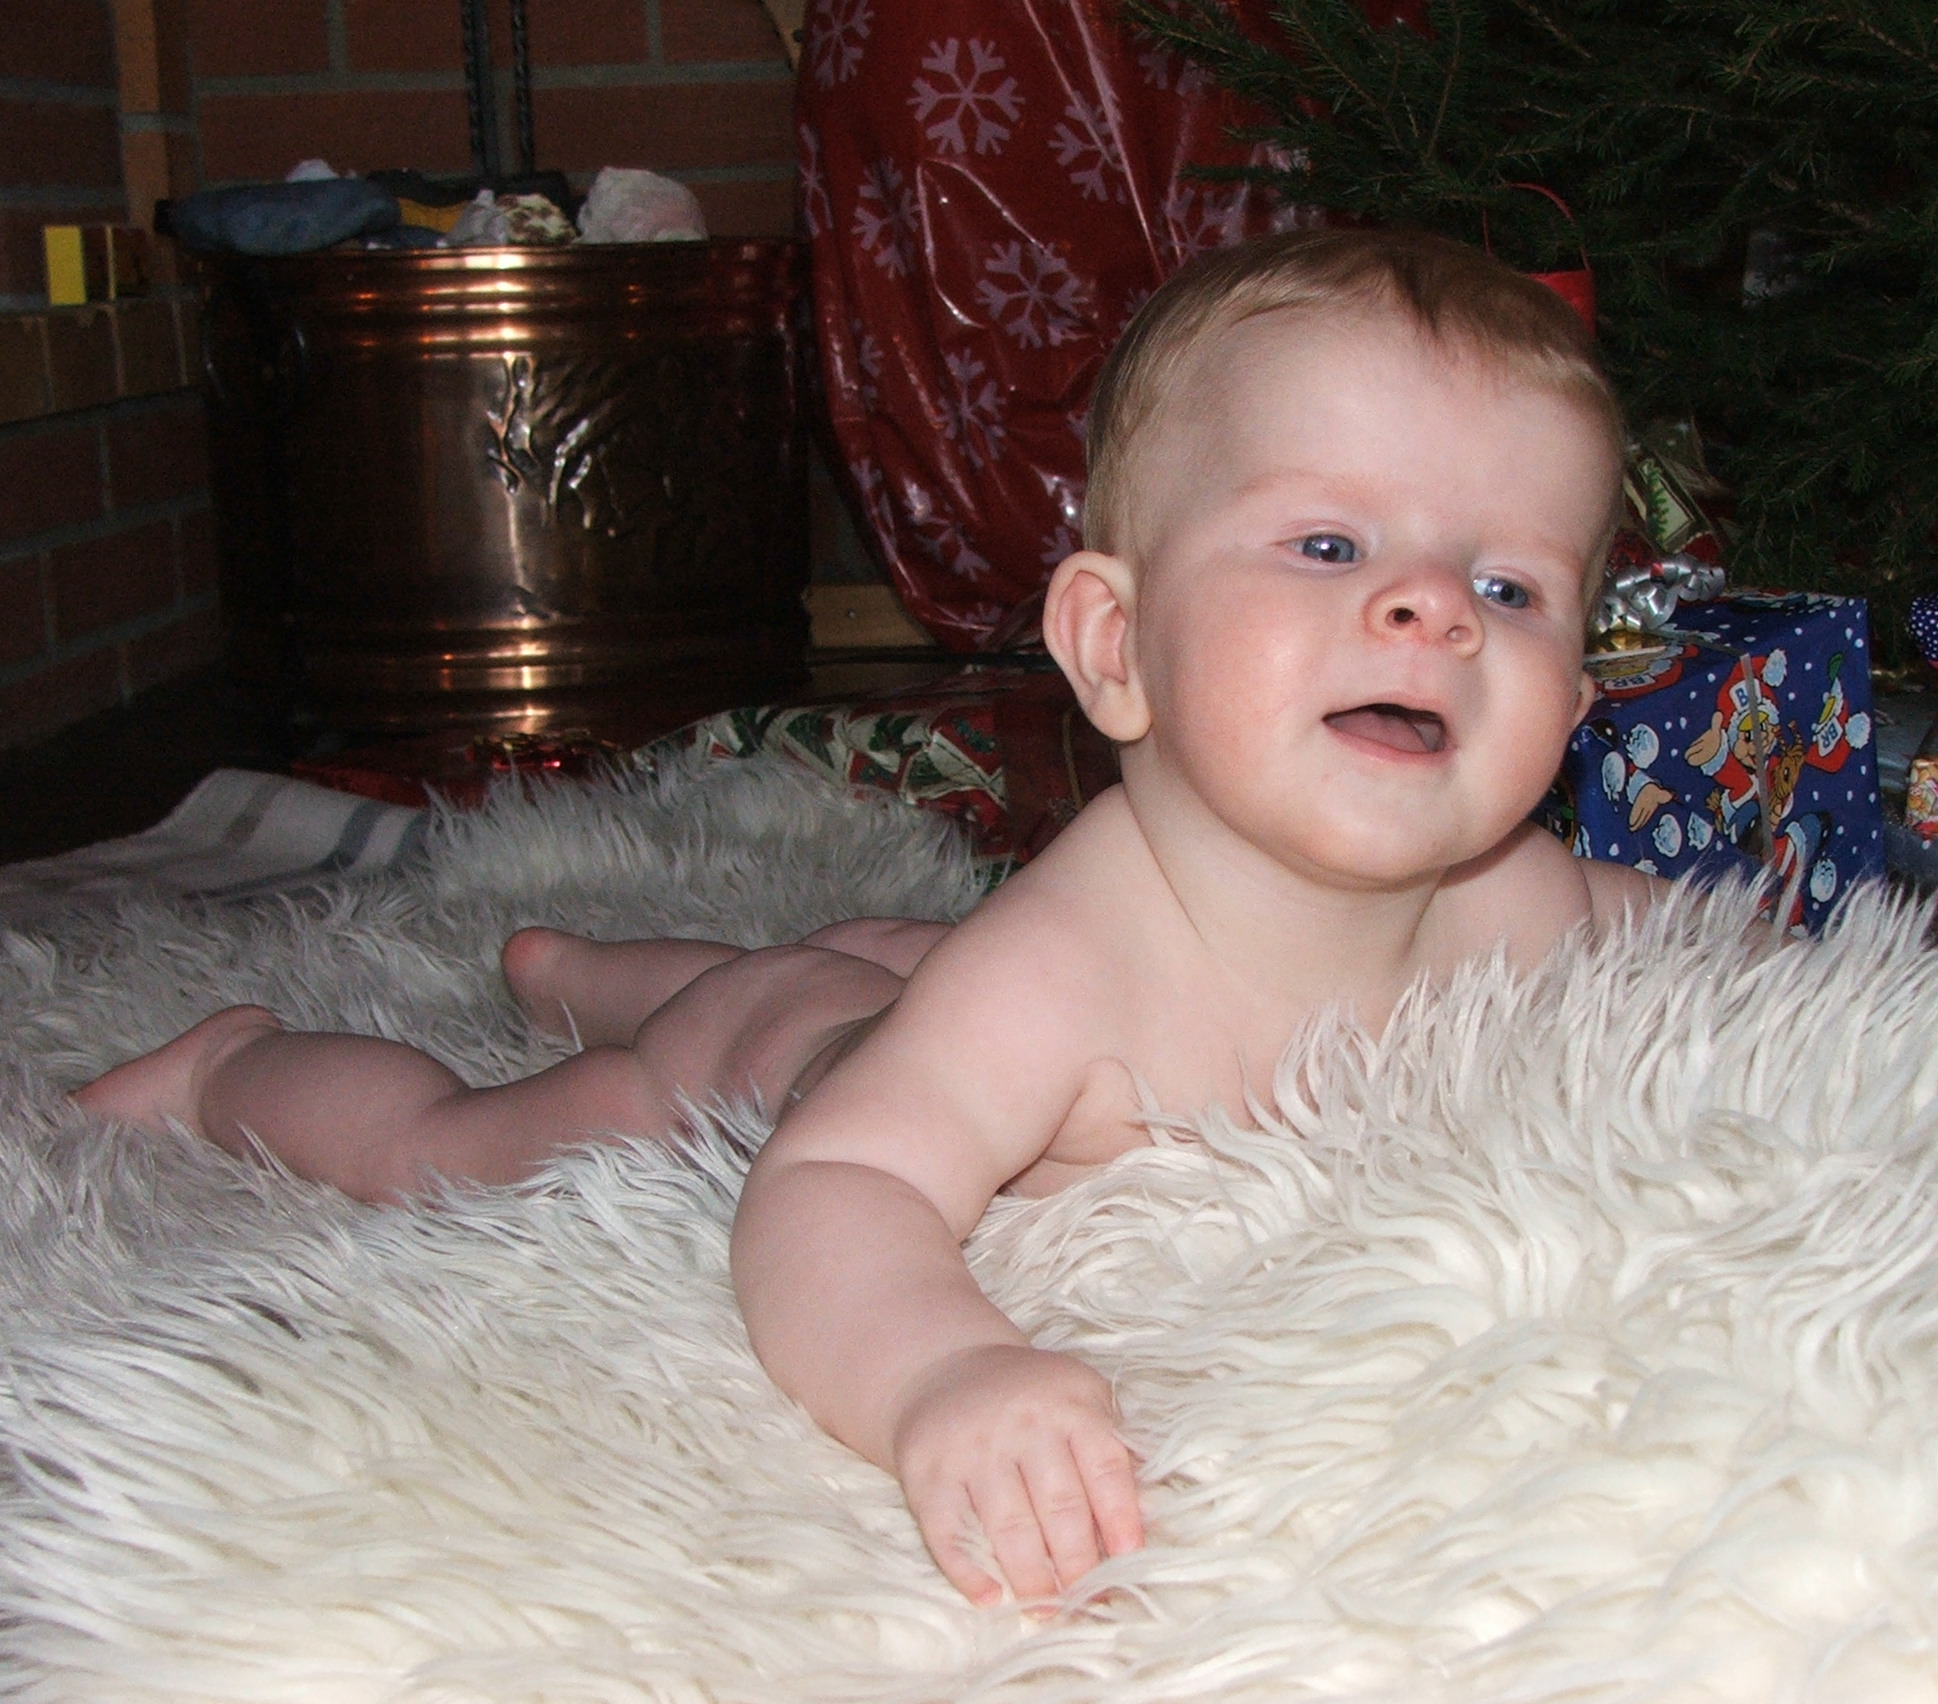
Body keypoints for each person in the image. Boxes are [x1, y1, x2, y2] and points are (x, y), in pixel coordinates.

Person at [74, 227, 1657, 1610]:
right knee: (496, 1135)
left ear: (1573, 703)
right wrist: (942, 1372)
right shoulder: (1068, 966)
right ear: (1116, 643)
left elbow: (1717, 961)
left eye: (1509, 589)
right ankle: (240, 1065)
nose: (1432, 609)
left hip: (905, 992)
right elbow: (836, 1186)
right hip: (777, 1071)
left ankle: (578, 965)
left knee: (880, 978)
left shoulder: (1513, 900)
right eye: (1329, 544)